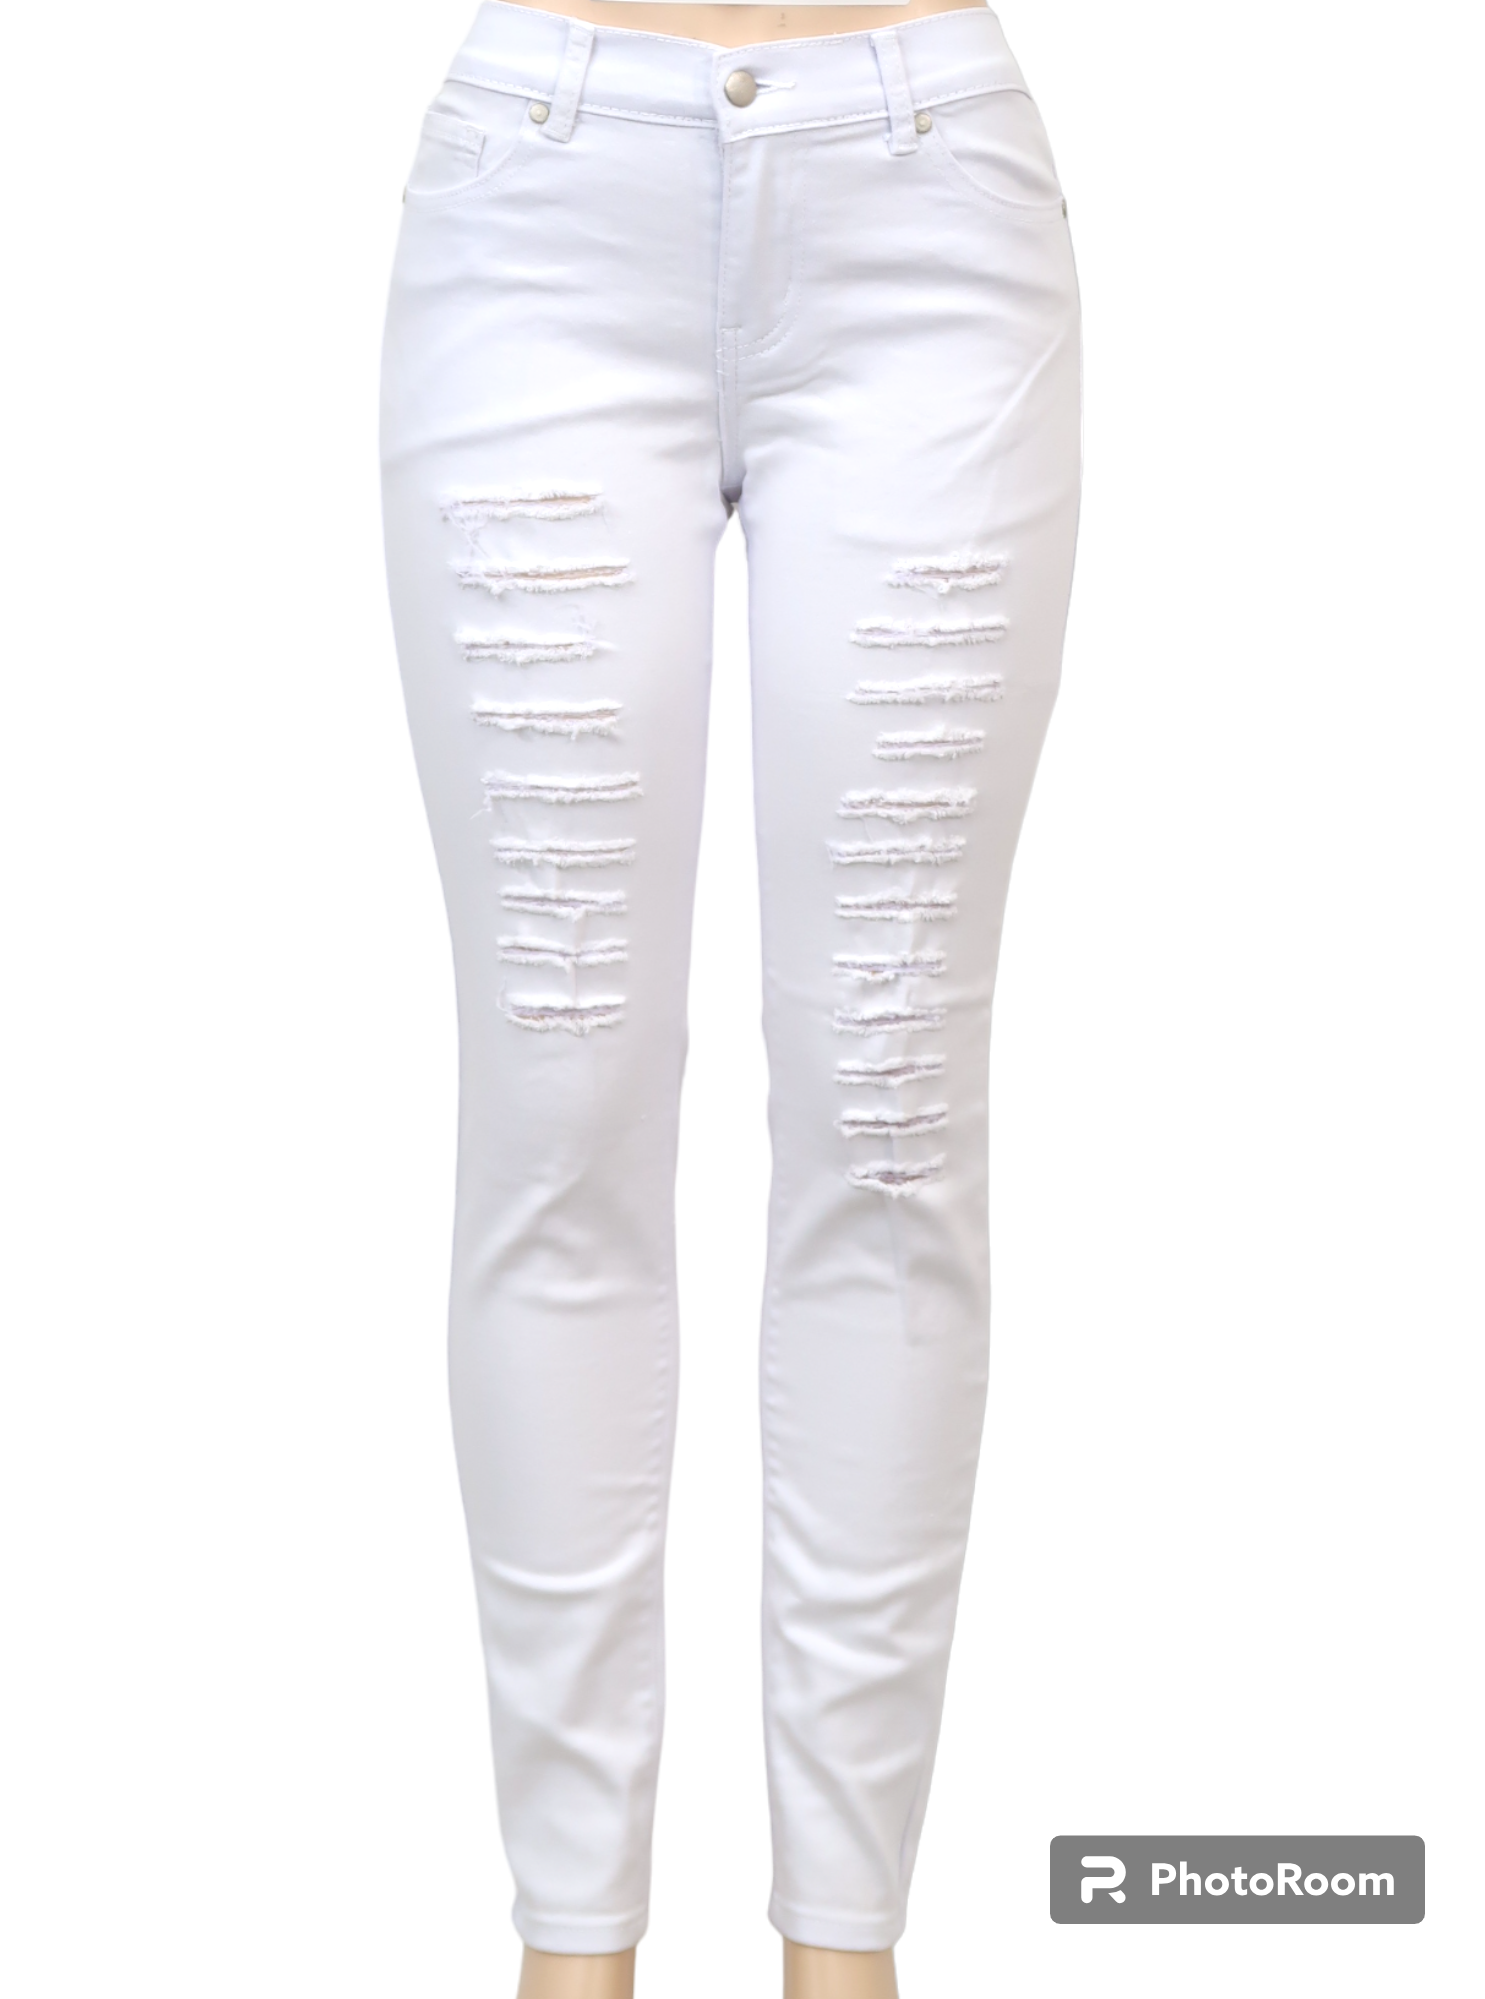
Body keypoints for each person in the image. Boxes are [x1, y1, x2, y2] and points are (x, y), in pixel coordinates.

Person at [379, 3, 1080, 1995]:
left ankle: (843, 1948)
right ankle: (570, 1947)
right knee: (559, 1114)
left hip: (932, 209)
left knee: (888, 1121)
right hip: (540, 206)